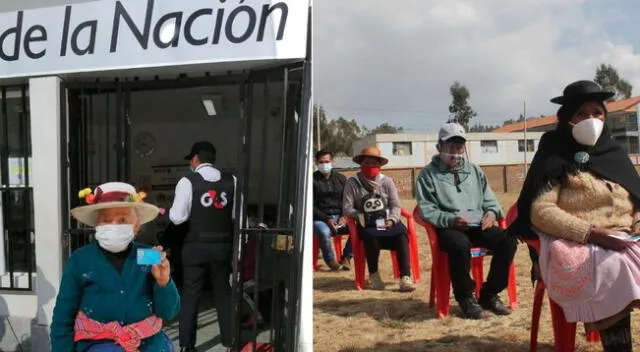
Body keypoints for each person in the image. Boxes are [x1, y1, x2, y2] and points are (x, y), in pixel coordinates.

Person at [509, 80, 640, 352]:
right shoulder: (554, 153)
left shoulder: (613, 153)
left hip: (627, 236)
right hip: (580, 240)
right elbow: (541, 212)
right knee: (612, 267)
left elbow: (637, 201)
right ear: (567, 119)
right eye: (581, 114)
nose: (590, 119)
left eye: (597, 112)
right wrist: (592, 234)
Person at [50, 182, 179, 352]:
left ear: (136, 226)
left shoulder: (148, 255)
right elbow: (63, 318)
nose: (114, 226)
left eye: (123, 220)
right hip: (99, 345)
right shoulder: (80, 260)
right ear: (96, 225)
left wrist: (164, 282)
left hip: (150, 344)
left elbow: (168, 312)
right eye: (106, 220)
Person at [415, 122, 516, 319]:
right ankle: (465, 297)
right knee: (459, 244)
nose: (455, 152)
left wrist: (491, 214)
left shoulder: (475, 171)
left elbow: (490, 200)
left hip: (477, 224)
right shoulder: (427, 175)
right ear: (439, 147)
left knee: (508, 240)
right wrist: (450, 219)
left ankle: (489, 294)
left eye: (459, 147)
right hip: (449, 227)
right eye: (450, 147)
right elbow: (426, 209)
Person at [169, 141, 236, 351]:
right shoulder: (231, 180)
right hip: (222, 246)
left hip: (195, 247)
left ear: (195, 158)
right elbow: (238, 216)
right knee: (223, 293)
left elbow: (177, 218)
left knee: (190, 294)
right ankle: (230, 342)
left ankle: (187, 346)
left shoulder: (187, 181)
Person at [342, 146, 415, 292]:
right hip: (367, 223)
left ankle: (405, 277)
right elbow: (347, 208)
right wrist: (360, 215)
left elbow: (395, 205)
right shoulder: (352, 183)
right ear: (361, 164)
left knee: (401, 233)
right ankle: (374, 274)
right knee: (371, 236)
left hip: (387, 221)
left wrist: (393, 219)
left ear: (380, 166)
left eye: (374, 163)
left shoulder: (387, 181)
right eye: (367, 162)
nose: (370, 166)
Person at [313, 149, 352, 271]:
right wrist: (327, 219)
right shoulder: (311, 180)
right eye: (321, 162)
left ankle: (347, 257)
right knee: (324, 232)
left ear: (332, 161)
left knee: (358, 228)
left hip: (340, 217)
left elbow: (347, 200)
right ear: (316, 163)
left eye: (327, 161)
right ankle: (331, 261)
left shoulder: (341, 179)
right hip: (320, 218)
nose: (324, 165)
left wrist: (343, 216)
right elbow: (311, 205)